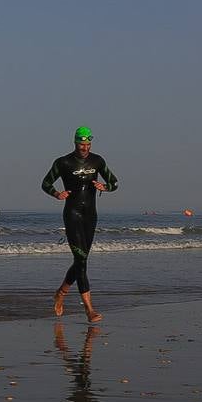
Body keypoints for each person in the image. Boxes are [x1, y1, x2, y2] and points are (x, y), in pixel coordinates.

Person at [41, 126, 119, 322]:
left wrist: (105, 187)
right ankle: (89, 309)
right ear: (75, 143)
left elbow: (115, 182)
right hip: (72, 214)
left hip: (90, 215)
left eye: (87, 144)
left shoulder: (97, 161)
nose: (84, 147)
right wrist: (57, 193)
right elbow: (45, 183)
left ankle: (61, 293)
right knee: (82, 260)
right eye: (81, 144)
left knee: (81, 261)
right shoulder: (63, 162)